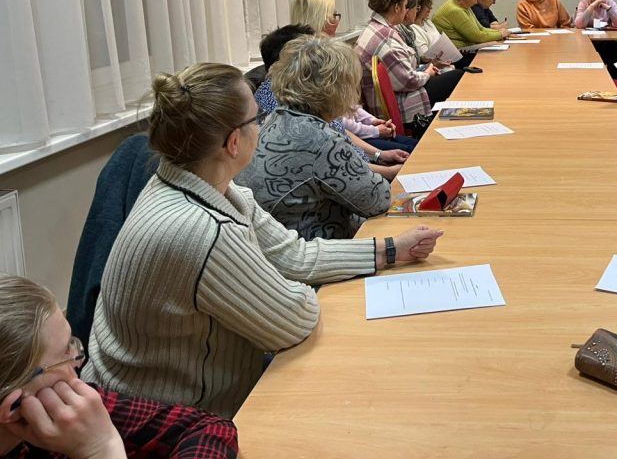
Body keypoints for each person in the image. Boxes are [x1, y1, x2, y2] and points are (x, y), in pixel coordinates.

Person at [83, 62, 443, 417]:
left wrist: (391, 250)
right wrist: (284, 285)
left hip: (168, 389)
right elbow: (293, 321)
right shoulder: (204, 230)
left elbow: (294, 255)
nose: (264, 124)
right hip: (168, 420)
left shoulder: (211, 189)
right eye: (257, 118)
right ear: (233, 142)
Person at [0, 275, 238, 459]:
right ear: (14, 406)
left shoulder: (63, 406)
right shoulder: (52, 404)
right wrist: (102, 448)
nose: (79, 358)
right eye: (65, 352)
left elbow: (209, 428)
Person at [238, 36, 393, 240]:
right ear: (337, 89)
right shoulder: (322, 140)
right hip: (320, 245)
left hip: (277, 239)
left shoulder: (276, 118)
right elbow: (378, 199)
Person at [254, 24, 416, 164]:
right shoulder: (284, 101)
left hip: (358, 154)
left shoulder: (297, 90)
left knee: (413, 149)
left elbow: (341, 130)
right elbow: (338, 158)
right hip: (353, 160)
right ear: (290, 60)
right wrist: (382, 159)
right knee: (413, 154)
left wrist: (379, 154)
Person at [354, 0, 462, 129]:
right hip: (399, 103)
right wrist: (427, 73)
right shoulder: (387, 39)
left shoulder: (374, 28)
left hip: (392, 96)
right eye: (405, 6)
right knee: (456, 76)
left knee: (448, 74)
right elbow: (408, 81)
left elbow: (401, 72)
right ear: (397, 8)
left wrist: (425, 69)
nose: (407, 11)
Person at [433, 0, 509, 50]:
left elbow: (481, 28)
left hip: (466, 48)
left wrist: (501, 32)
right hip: (456, 53)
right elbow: (477, 37)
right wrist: (500, 34)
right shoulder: (455, 10)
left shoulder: (465, 5)